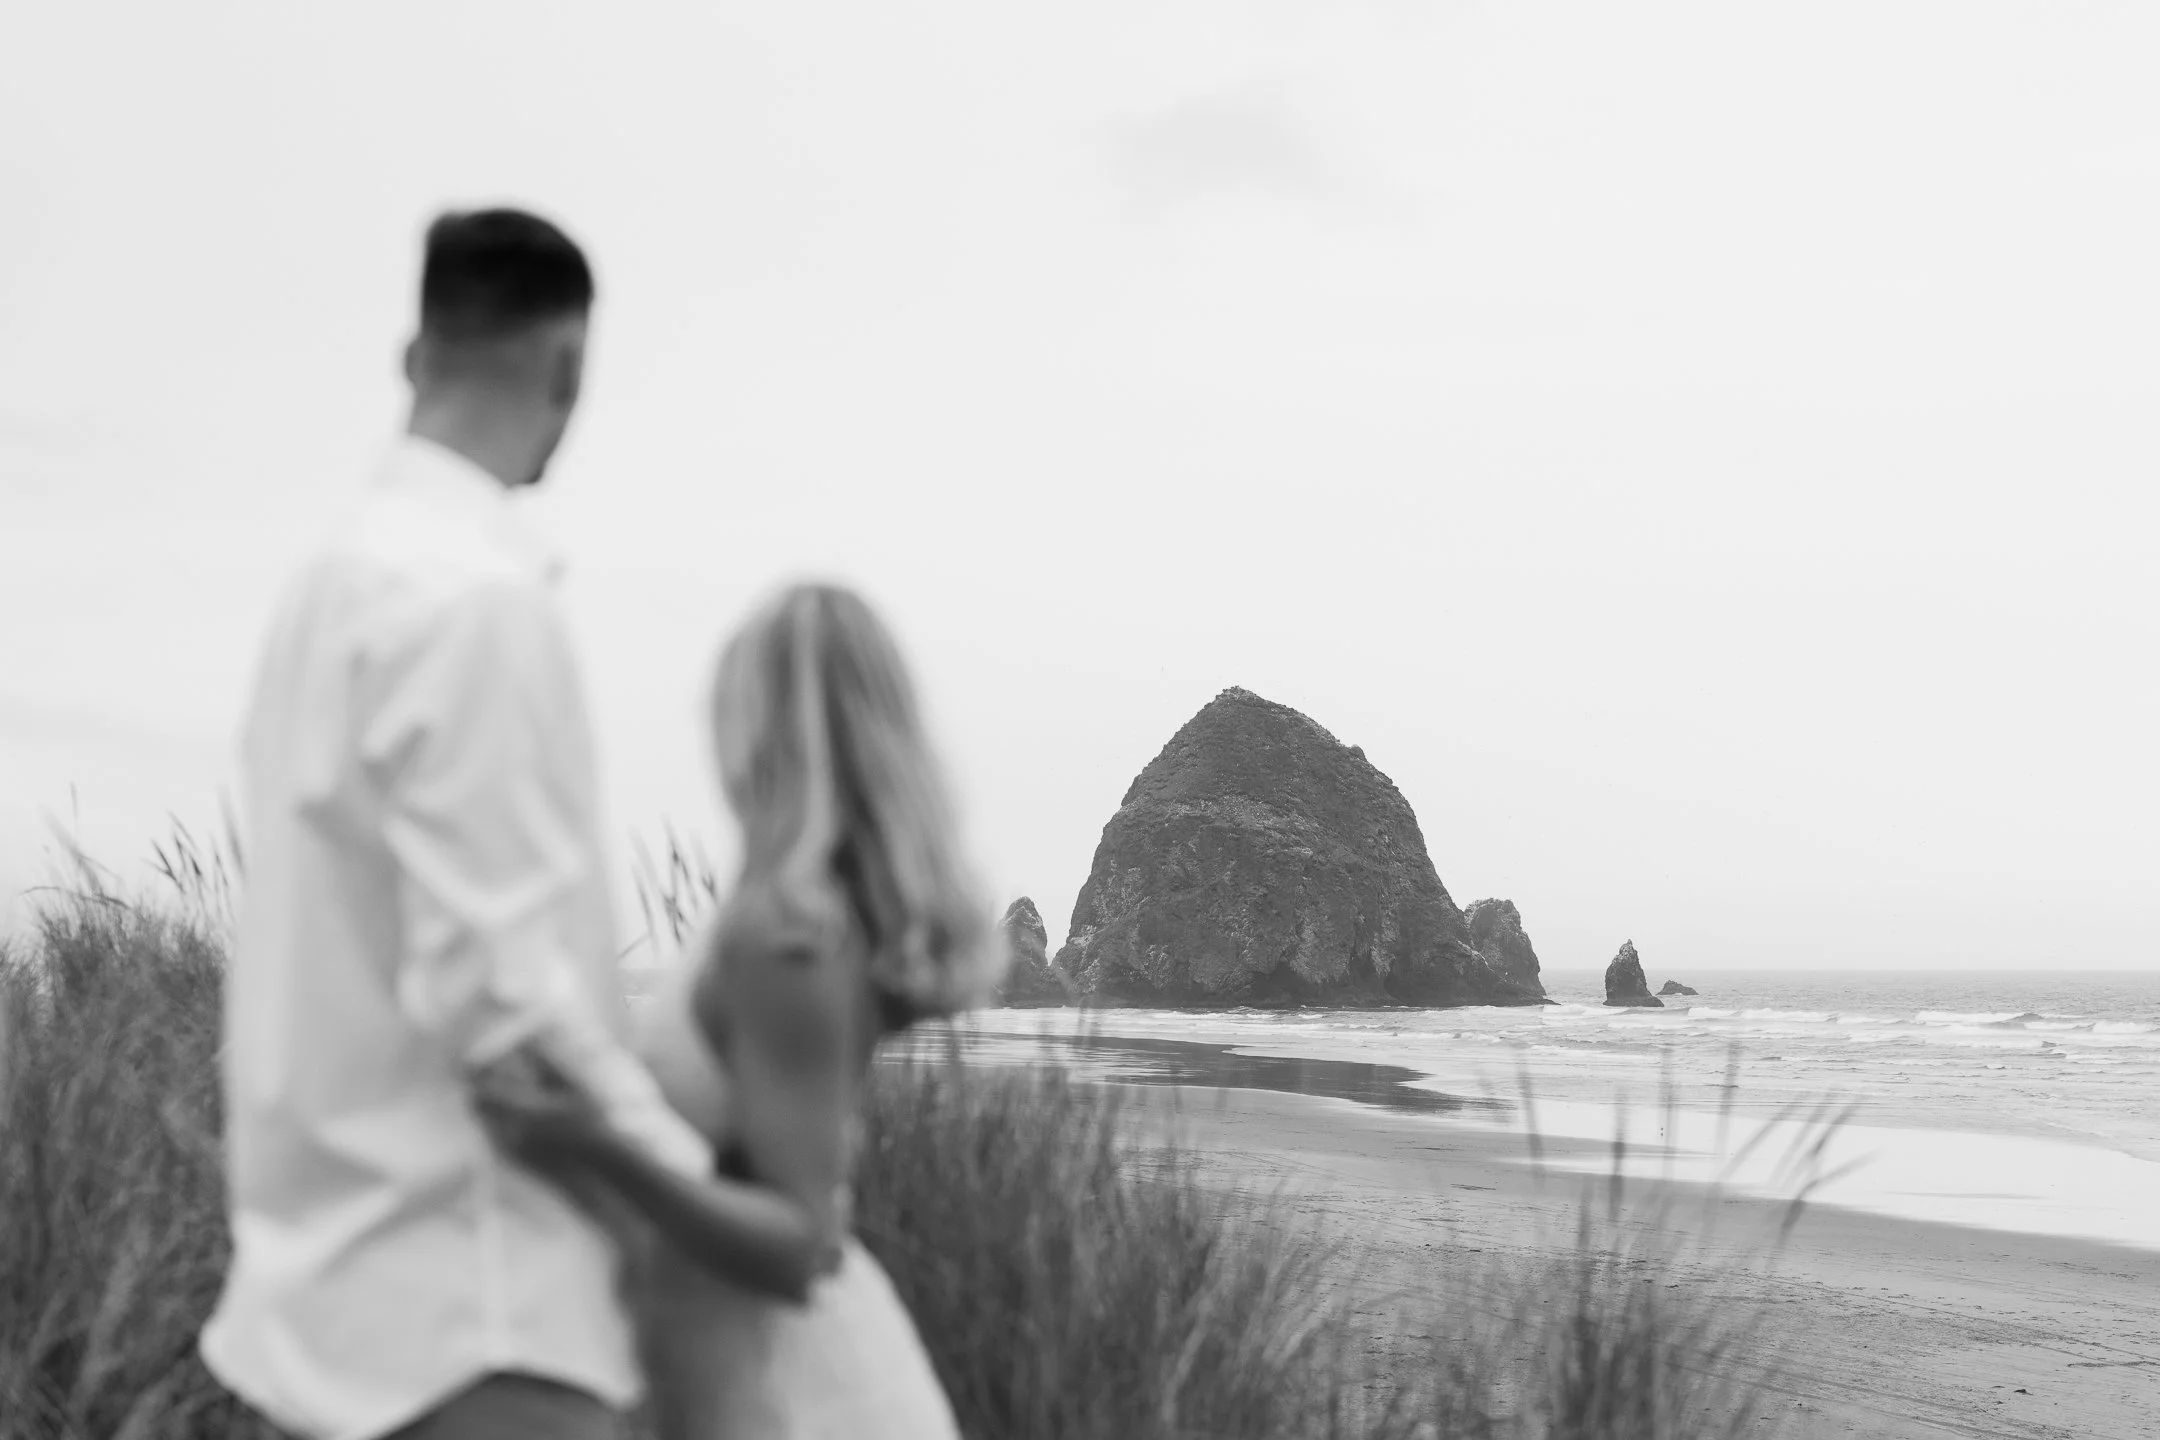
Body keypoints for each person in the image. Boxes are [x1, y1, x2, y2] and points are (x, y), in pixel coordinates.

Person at [201, 208, 821, 1440]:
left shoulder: (317, 600)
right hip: (473, 1320)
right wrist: (703, 1200)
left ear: (412, 358)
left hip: (309, 1316)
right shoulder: (478, 605)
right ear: (568, 366)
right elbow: (509, 1008)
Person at [474, 582, 1004, 1440]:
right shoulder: (815, 923)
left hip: (798, 1394)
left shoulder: (787, 938)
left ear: (757, 727)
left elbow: (797, 1243)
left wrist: (596, 1145)